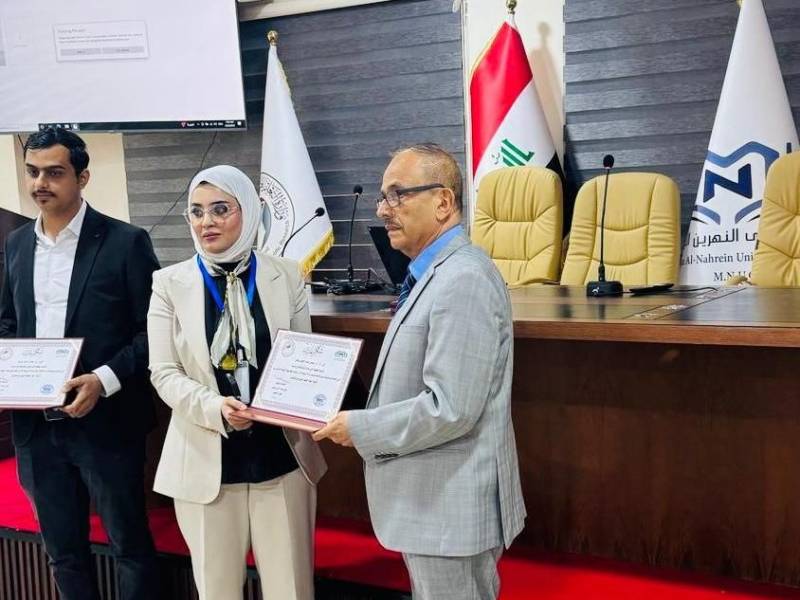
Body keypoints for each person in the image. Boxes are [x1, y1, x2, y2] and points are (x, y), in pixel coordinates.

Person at [314, 144, 527, 599]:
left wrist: (361, 428)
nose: (382, 209)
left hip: (450, 508)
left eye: (397, 195)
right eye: (382, 197)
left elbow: (451, 408)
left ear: (443, 202)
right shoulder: (433, 273)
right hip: (435, 504)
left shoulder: (463, 279)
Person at [147, 165, 327, 600]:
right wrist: (216, 408)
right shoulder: (169, 283)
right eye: (196, 211)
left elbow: (303, 358)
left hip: (280, 454)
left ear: (247, 211)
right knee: (218, 591)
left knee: (292, 590)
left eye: (220, 209)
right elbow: (163, 372)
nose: (206, 222)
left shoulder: (287, 275)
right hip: (205, 455)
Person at [0, 127, 160, 600]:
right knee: (63, 551)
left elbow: (154, 332)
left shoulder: (126, 242)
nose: (40, 184)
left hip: (107, 421)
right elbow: (8, 323)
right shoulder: (16, 244)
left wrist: (103, 380)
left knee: (130, 546)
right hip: (36, 427)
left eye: (54, 172)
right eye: (32, 172)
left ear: (82, 177)